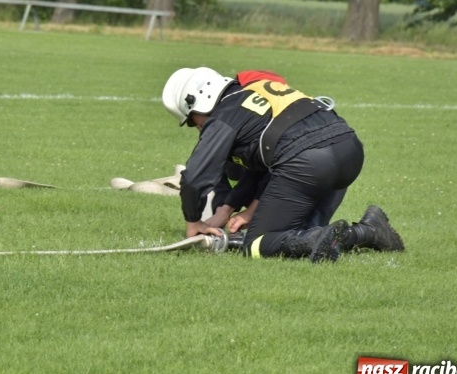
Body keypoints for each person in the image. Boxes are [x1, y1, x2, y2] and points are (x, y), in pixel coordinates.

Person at [162, 67, 404, 262]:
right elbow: (267, 164)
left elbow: (194, 177)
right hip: (348, 149)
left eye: (192, 121)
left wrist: (194, 221)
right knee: (303, 235)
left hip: (310, 162)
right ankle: (368, 229)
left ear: (199, 101)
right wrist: (230, 209)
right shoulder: (253, 91)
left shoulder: (224, 114)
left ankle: (367, 232)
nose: (196, 128)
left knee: (257, 244)